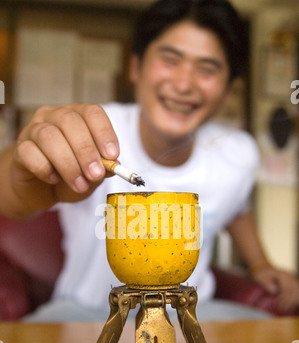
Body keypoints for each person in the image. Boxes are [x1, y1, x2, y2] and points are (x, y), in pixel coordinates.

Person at [0, 0, 298, 321]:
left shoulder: (238, 153)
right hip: (86, 312)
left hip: (191, 313)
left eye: (207, 69)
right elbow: (11, 198)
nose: (184, 84)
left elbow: (236, 205)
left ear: (227, 90)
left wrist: (260, 264)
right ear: (136, 67)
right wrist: (20, 164)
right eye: (170, 60)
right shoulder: (91, 132)